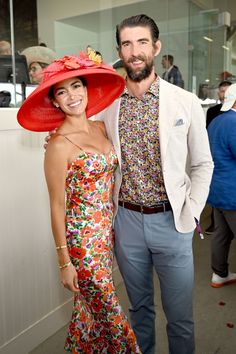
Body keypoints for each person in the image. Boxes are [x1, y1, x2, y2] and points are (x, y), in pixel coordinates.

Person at [45, 14, 213, 354]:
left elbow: (202, 163)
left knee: (180, 317)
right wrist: (57, 141)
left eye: (142, 42)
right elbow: (83, 137)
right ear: (120, 50)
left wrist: (192, 210)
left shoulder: (185, 101)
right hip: (127, 224)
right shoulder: (107, 107)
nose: (134, 51)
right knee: (139, 312)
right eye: (126, 44)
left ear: (156, 47)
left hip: (173, 222)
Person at [17, 51, 141, 353]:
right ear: (55, 101)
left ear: (86, 89)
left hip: (106, 237)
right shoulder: (58, 146)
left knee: (88, 316)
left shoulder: (101, 128)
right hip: (81, 246)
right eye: (62, 91)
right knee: (111, 316)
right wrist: (64, 263)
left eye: (76, 86)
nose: (71, 96)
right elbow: (57, 206)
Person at [207, 83, 236, 288]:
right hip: (232, 193)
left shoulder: (215, 121)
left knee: (221, 234)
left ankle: (219, 274)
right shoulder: (234, 123)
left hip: (216, 190)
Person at [205, 80, 232, 235]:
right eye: (222, 91)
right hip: (216, 160)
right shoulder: (213, 112)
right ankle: (215, 224)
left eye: (226, 91)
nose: (224, 94)